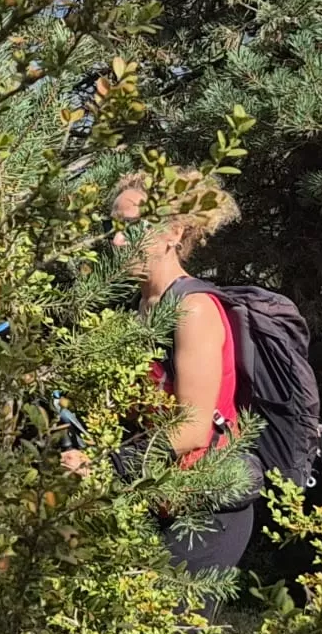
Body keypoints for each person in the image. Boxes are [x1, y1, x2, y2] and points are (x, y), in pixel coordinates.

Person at [63, 171, 257, 587]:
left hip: (205, 507)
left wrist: (103, 466)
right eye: (113, 228)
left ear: (172, 231)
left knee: (175, 631)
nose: (116, 241)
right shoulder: (140, 306)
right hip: (155, 495)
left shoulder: (194, 308)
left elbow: (190, 430)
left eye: (132, 228)